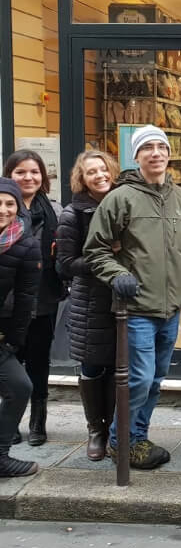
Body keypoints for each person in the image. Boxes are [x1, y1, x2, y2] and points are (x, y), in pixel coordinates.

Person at [84, 125, 181, 470]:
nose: (156, 153)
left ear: (169, 154)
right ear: (136, 156)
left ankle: (138, 435)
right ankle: (120, 440)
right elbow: (95, 250)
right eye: (148, 148)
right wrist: (118, 275)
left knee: (155, 379)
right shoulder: (120, 198)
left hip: (171, 308)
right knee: (139, 378)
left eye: (161, 147)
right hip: (136, 307)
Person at [56, 151, 119, 460]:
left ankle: (115, 427)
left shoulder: (123, 203)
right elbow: (65, 264)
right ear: (82, 179)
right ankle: (96, 429)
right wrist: (106, 257)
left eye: (103, 169)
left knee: (118, 366)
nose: (100, 176)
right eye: (92, 172)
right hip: (90, 302)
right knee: (93, 367)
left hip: (122, 299)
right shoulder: (72, 214)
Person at [3, 149, 64, 446]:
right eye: (20, 172)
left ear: (43, 176)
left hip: (44, 297)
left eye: (34, 172)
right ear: (9, 176)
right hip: (8, 301)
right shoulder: (4, 208)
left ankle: (38, 419)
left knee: (39, 361)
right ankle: (10, 418)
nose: (28, 177)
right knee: (11, 359)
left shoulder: (55, 209)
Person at [0, 178, 42, 478]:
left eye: (9, 204)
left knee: (20, 386)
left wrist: (13, 341)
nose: (3, 210)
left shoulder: (26, 246)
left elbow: (26, 298)